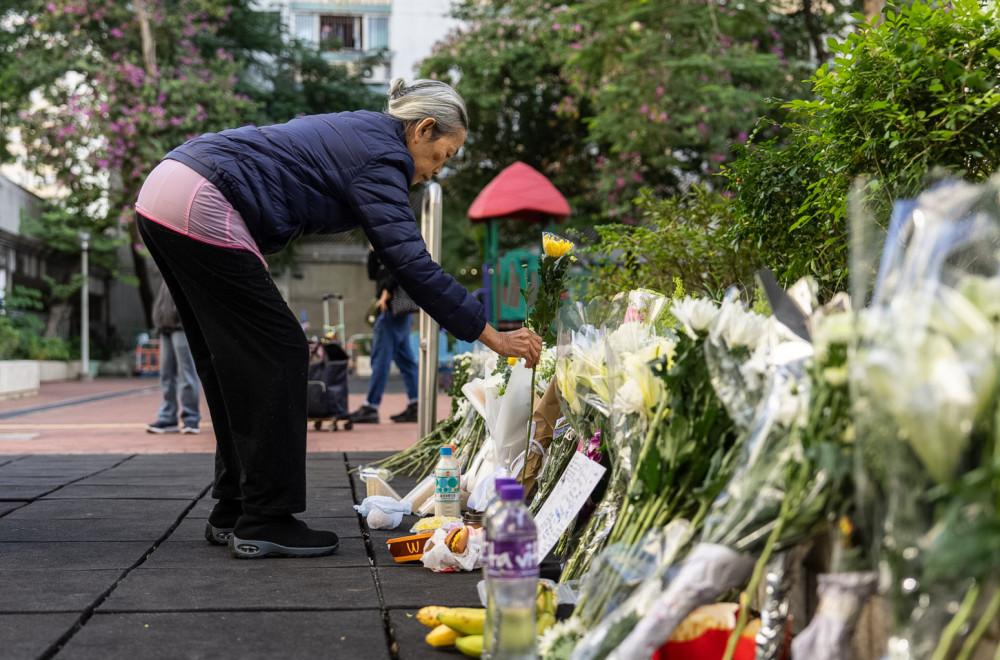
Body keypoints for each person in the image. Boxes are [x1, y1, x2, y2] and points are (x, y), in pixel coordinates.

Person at [134, 78, 542, 559]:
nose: (433, 173)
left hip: (167, 187)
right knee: (279, 349)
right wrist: (491, 334)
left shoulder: (362, 134)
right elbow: (412, 263)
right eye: (442, 156)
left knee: (231, 359)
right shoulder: (383, 157)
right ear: (423, 129)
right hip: (203, 195)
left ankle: (235, 508)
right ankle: (265, 518)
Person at [350, 246, 420, 424]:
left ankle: (371, 406)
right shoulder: (386, 249)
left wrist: (386, 292)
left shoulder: (394, 244)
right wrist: (373, 251)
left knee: (380, 359)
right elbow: (372, 274)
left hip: (391, 310)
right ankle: (415, 404)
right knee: (405, 360)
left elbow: (398, 270)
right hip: (400, 314)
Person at [146, 281, 202, 435]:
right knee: (166, 375)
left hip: (182, 326)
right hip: (165, 327)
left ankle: (191, 418)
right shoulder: (166, 269)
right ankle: (168, 417)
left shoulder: (183, 262)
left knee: (186, 373)